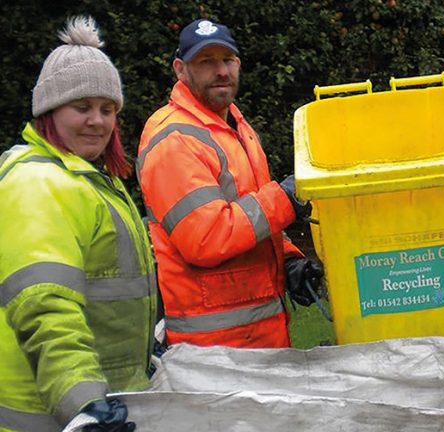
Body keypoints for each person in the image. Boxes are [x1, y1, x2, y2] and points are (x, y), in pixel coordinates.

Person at [0, 16, 154, 432]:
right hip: (53, 417)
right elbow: (45, 306)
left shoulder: (89, 178)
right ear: (49, 111)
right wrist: (83, 403)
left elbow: (110, 285)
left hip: (107, 406)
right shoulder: (38, 183)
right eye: (82, 107)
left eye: (108, 109)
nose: (98, 121)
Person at [137, 18, 322, 349]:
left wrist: (290, 261)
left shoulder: (235, 125)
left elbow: (254, 217)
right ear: (181, 69)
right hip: (213, 350)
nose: (220, 71)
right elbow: (207, 237)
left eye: (227, 60)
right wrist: (285, 198)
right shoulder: (173, 139)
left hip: (260, 335)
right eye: (206, 62)